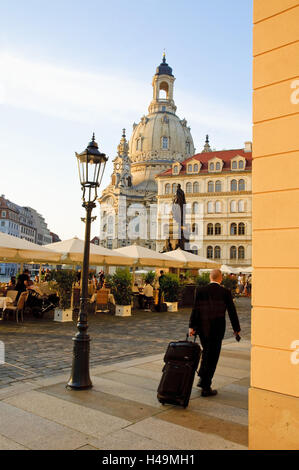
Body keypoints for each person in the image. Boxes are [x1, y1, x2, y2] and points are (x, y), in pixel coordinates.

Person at [189, 269, 241, 397]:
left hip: (203, 328)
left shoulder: (200, 291)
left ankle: (202, 378)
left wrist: (192, 326)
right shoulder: (225, 292)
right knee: (213, 356)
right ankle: (206, 386)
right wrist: (236, 328)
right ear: (220, 278)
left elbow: (196, 309)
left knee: (207, 352)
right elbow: (231, 311)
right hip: (217, 329)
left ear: (210, 278)